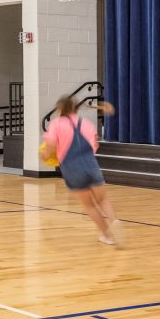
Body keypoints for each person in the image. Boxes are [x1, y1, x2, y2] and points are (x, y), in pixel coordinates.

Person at [41, 96, 125, 246]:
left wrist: (44, 155)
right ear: (76, 109)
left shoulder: (56, 124)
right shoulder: (86, 124)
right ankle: (114, 220)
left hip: (72, 168)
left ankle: (109, 236)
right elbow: (94, 146)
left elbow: (50, 148)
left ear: (60, 110)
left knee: (90, 206)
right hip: (91, 164)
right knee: (103, 200)